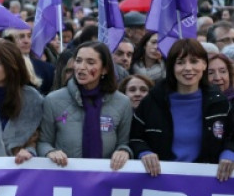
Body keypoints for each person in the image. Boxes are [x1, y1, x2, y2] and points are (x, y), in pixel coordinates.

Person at [130, 39, 234, 181]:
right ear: (171, 67)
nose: (188, 68)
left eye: (194, 61)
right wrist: (144, 152)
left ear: (204, 65)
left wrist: (229, 153)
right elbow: (135, 138)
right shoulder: (152, 101)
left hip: (207, 183)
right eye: (180, 62)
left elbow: (231, 136)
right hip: (160, 182)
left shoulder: (219, 102)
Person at [38, 42, 134, 169]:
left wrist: (124, 151)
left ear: (105, 69)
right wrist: (50, 152)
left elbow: (124, 142)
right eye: (78, 61)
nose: (81, 67)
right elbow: (43, 142)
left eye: (90, 62)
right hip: (65, 175)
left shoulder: (122, 102)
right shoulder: (53, 100)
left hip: (106, 177)